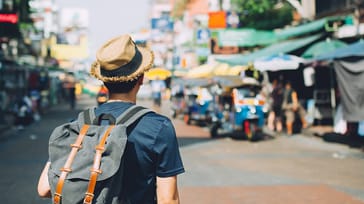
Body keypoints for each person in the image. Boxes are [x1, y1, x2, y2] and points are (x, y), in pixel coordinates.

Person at [37, 34, 185, 203]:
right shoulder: (158, 127)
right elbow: (168, 199)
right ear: (141, 78)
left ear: (103, 81)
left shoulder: (78, 126)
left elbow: (44, 188)